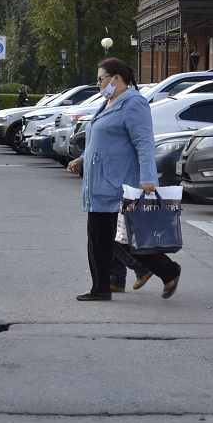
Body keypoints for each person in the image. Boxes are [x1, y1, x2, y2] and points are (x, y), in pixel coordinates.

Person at [66, 58, 181, 301]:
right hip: (98, 186)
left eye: (101, 78)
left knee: (130, 241)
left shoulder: (133, 104)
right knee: (98, 240)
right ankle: (101, 288)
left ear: (116, 78)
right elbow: (101, 140)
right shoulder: (108, 102)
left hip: (118, 184)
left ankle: (169, 270)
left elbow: (144, 143)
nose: (98, 84)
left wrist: (148, 177)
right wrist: (82, 160)